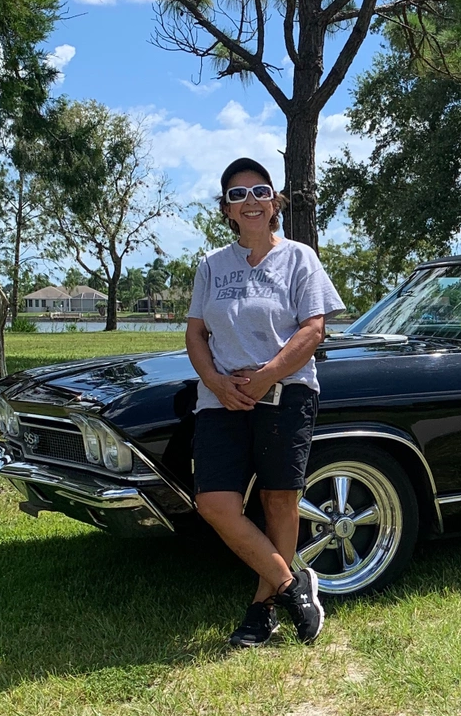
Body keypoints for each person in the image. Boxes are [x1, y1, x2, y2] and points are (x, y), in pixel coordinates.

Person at [185, 157, 345, 647]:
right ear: (227, 210)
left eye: (260, 192)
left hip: (286, 393)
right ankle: (294, 585)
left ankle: (262, 609)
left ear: (274, 203)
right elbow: (195, 333)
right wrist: (214, 380)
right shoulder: (211, 266)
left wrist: (266, 376)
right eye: (238, 195)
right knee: (215, 502)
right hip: (220, 400)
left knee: (279, 499)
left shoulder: (300, 258)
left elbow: (313, 329)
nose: (250, 201)